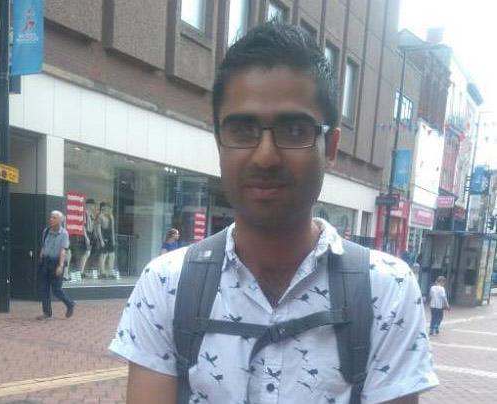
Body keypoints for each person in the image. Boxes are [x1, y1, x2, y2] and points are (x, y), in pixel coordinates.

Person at [110, 23, 437, 403]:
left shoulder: (388, 290)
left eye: (294, 130)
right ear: (219, 141)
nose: (265, 156)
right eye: (242, 130)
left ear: (331, 147)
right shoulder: (166, 285)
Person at [37, 210, 75, 320]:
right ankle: (47, 313)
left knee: (56, 290)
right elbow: (44, 245)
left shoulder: (64, 234)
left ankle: (70, 304)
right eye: (51, 217)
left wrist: (60, 265)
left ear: (60, 221)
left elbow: (63, 250)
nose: (51, 219)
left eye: (54, 218)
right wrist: (41, 257)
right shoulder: (46, 231)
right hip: (46, 261)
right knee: (44, 288)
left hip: (56, 262)